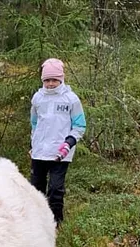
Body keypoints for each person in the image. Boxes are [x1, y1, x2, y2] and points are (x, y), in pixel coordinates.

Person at [29, 58, 86, 227]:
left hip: (60, 154)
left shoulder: (71, 99)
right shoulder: (38, 98)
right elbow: (34, 124)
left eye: (54, 80)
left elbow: (80, 125)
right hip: (39, 152)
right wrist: (32, 145)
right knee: (35, 189)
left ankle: (55, 223)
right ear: (42, 80)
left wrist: (68, 143)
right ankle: (37, 222)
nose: (51, 84)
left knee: (55, 189)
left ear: (61, 79)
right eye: (47, 80)